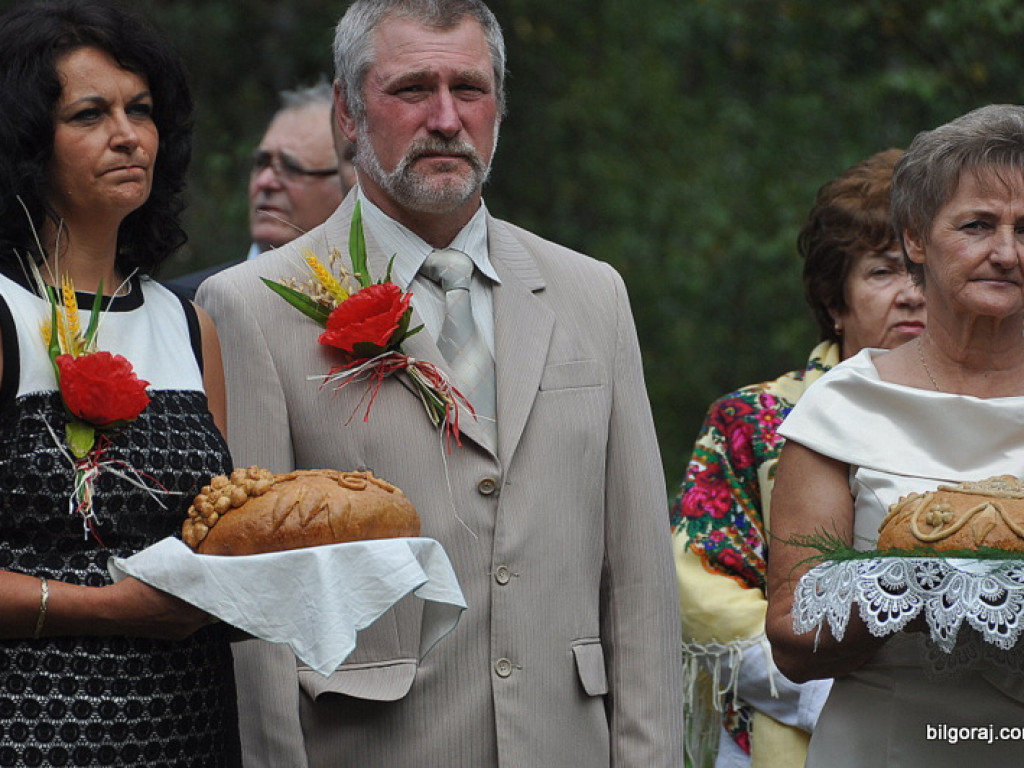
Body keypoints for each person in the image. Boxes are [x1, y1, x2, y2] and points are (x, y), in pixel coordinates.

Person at [197, 0, 685, 765]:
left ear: (500, 106)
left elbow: (641, 582)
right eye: (413, 89)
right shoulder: (253, 308)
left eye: (470, 89)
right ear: (347, 112)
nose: (448, 119)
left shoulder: (593, 295)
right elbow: (257, 603)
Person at [0, 1, 241, 765]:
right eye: (89, 114)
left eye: (140, 110)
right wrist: (110, 610)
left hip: (192, 727)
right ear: (24, 142)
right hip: (34, 736)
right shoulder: (4, 314)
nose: (128, 134)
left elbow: (214, 534)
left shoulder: (187, 325)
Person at [766, 103, 1024, 766]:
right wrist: (911, 585)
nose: (1006, 253)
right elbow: (791, 640)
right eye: (977, 225)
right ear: (915, 239)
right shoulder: (845, 407)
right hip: (886, 746)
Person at [672, 148, 924, 768]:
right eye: (884, 271)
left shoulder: (995, 418)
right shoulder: (755, 418)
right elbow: (696, 584)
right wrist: (822, 692)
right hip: (787, 736)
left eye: (925, 273)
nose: (911, 296)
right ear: (835, 300)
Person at [167, 81, 354, 299]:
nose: (265, 182)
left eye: (291, 168)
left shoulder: (377, 298)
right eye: (261, 163)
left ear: (346, 182)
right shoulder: (188, 305)